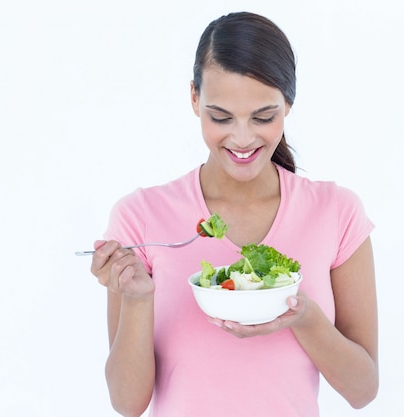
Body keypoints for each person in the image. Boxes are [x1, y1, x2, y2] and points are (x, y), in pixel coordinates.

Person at [89, 11, 378, 417]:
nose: (242, 139)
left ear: (288, 103)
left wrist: (303, 316)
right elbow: (127, 403)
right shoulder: (140, 217)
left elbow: (363, 389)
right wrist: (137, 301)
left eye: (263, 117)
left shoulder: (336, 212)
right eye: (220, 117)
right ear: (194, 98)